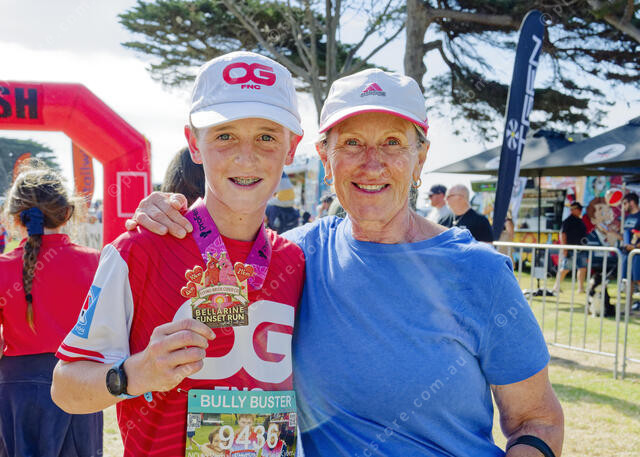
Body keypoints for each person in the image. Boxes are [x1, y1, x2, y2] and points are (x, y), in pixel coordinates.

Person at [131, 68, 563, 456]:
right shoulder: (293, 257)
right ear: (325, 159)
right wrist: (167, 214)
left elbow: (538, 421)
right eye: (352, 143)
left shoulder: (480, 272)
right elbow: (216, 249)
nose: (372, 164)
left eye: (392, 143)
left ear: (420, 159)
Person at [51, 51, 306, 456]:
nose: (246, 156)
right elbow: (65, 387)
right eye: (225, 136)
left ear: (292, 148)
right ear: (194, 144)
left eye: (267, 137)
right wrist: (134, 374)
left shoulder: (297, 261)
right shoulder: (138, 249)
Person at [0, 164, 103, 457]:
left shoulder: (3, 267)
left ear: (15, 217)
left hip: (16, 390)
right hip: (79, 383)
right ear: (68, 213)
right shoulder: (97, 263)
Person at [553, 202, 588, 294]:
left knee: (582, 268)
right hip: (570, 249)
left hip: (581, 249)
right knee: (565, 268)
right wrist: (565, 248)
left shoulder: (580, 221)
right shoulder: (568, 221)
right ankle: (556, 287)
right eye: (578, 209)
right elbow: (562, 234)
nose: (580, 211)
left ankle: (581, 288)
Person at [622, 193, 640, 294]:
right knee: (628, 280)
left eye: (625, 203)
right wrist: (609, 232)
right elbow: (626, 235)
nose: (623, 206)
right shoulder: (627, 217)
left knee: (638, 280)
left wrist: (634, 246)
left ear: (632, 202)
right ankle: (628, 304)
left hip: (637, 253)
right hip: (627, 253)